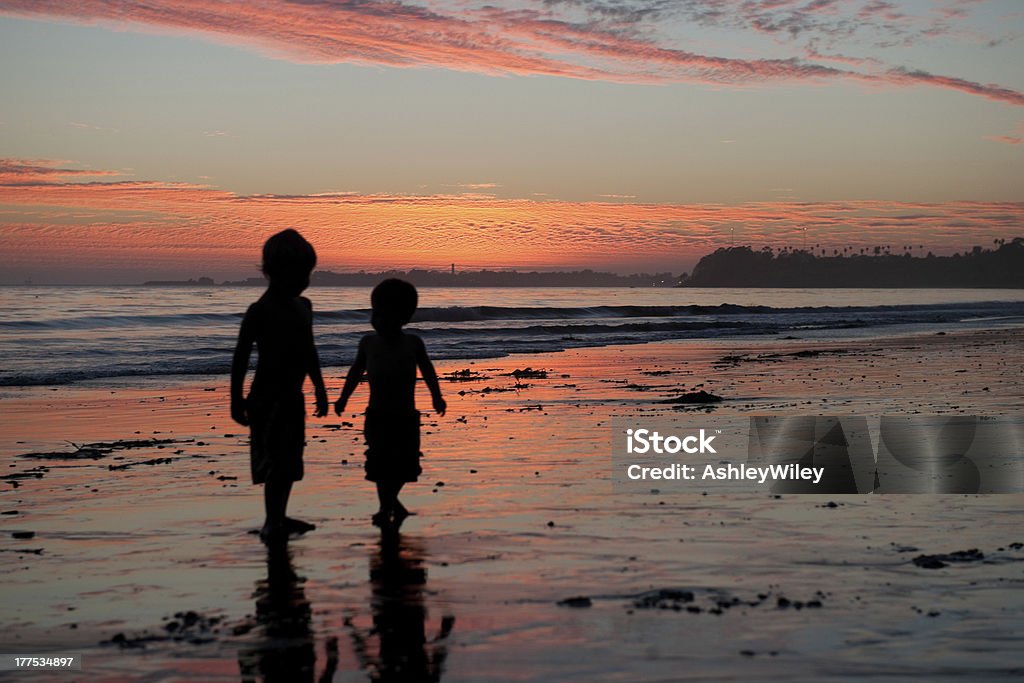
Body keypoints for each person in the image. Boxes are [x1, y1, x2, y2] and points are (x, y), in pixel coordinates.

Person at [231, 229, 328, 544]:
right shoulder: (260, 311)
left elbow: (309, 350)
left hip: (292, 397)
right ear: (274, 272)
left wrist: (320, 388)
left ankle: (280, 516)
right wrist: (236, 399)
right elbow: (241, 356)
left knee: (289, 460)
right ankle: (272, 521)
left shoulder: (304, 306)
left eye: (308, 274)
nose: (305, 280)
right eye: (300, 273)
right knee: (274, 462)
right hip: (266, 398)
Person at [334, 279, 446, 527]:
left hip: (405, 417)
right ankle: (388, 506)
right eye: (375, 313)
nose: (379, 320)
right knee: (379, 463)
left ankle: (390, 504)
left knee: (405, 464)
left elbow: (427, 370)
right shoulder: (368, 343)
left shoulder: (412, 343)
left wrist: (436, 396)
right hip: (377, 416)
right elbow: (355, 372)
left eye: (386, 314)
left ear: (404, 317)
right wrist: (343, 397)